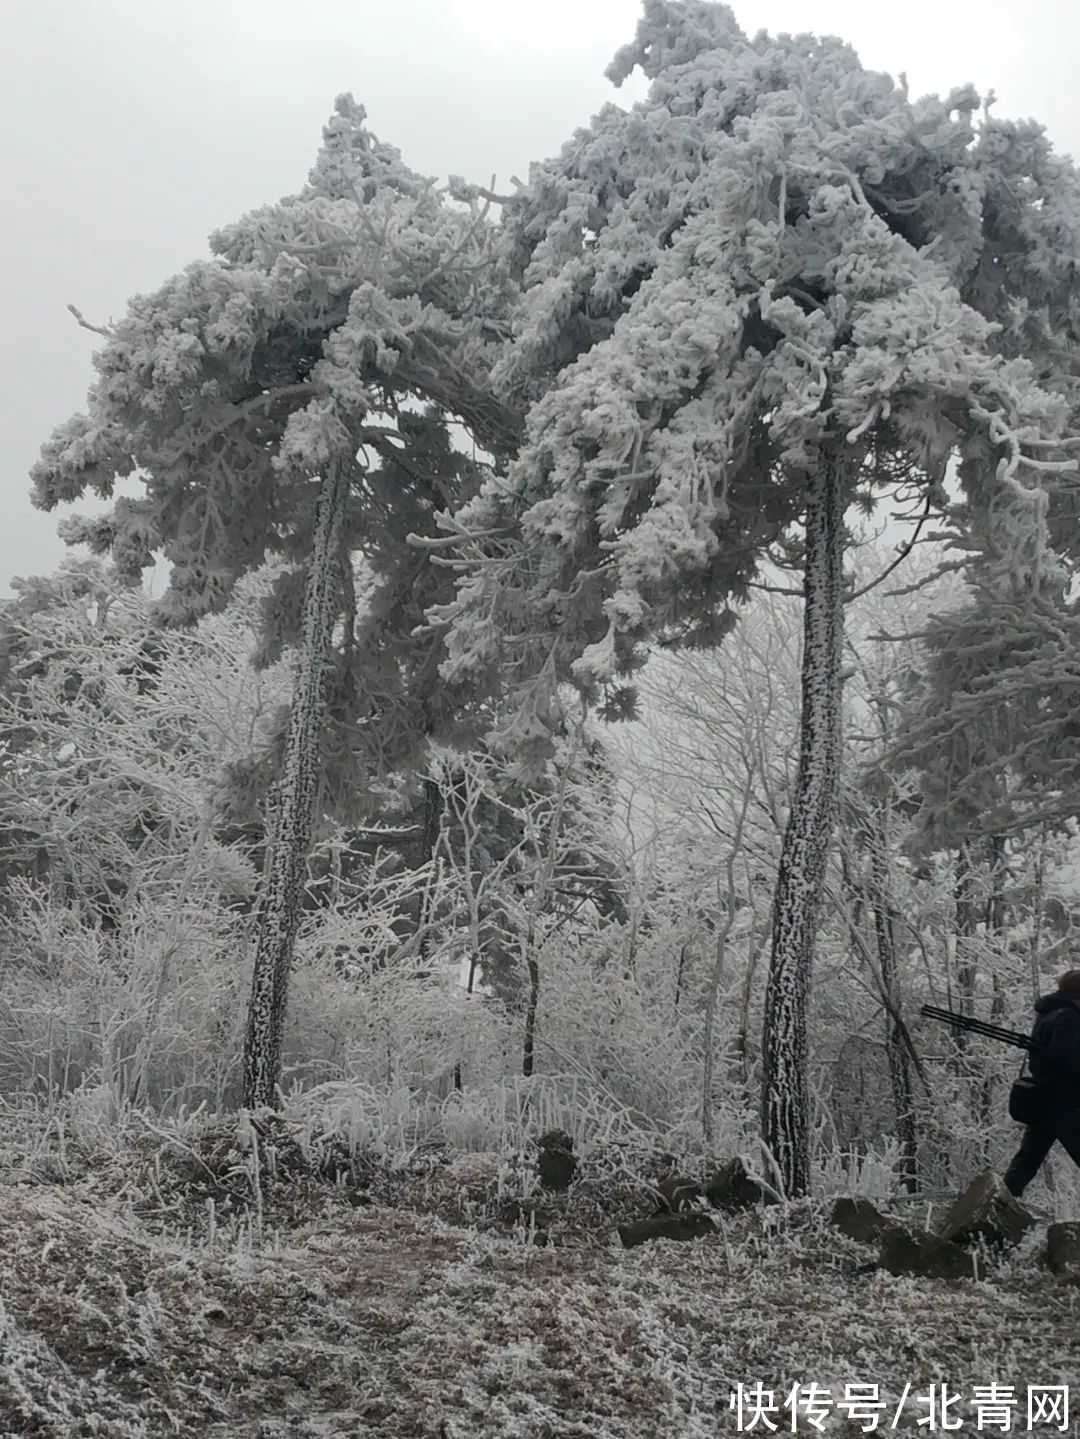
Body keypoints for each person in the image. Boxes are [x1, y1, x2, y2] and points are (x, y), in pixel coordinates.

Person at [1003, 970, 1080, 1197]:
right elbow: (1066, 1057)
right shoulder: (1068, 1017)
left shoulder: (1049, 1014)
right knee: (1027, 1160)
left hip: (1044, 1101)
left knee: (1026, 1162)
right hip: (1063, 1103)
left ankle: (997, 1208)